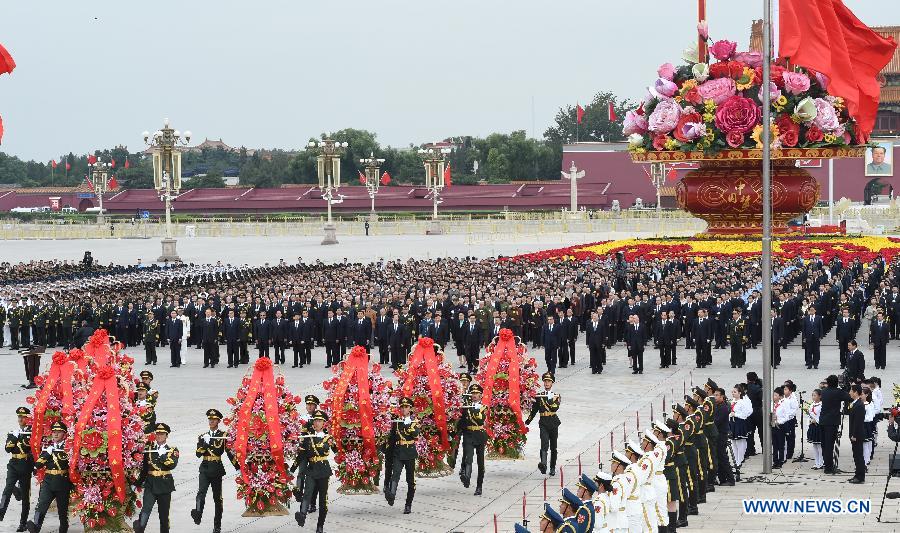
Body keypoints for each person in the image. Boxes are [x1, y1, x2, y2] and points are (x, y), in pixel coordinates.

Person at [191, 409, 235, 533]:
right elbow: (198, 454)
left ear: (218, 421)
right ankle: (198, 514)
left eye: (214, 419)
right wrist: (205, 442)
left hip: (216, 468)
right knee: (201, 493)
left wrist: (237, 468)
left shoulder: (223, 435)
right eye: (210, 419)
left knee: (217, 498)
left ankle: (217, 526)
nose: (211, 421)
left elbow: (229, 453)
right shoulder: (202, 436)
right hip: (205, 467)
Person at [24, 421, 70, 533]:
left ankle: (63, 528)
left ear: (64, 434)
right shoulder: (48, 449)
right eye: (54, 432)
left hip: (62, 482)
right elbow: (38, 464)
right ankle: (36, 526)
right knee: (42, 505)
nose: (55, 434)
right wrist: (48, 452)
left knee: (62, 510)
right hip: (48, 481)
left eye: (58, 432)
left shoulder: (68, 448)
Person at [133, 423, 179, 533]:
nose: (159, 436)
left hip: (164, 484)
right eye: (157, 434)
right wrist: (137, 483)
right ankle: (139, 529)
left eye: (162, 434)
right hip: (151, 483)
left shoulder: (172, 450)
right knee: (145, 510)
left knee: (163, 515)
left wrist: (163, 456)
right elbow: (145, 469)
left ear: (166, 436)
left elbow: (172, 465)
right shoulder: (148, 449)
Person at [295, 410, 335, 533]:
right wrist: (291, 470)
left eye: (319, 421)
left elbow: (330, 451)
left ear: (324, 423)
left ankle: (320, 526)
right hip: (311, 470)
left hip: (323, 470)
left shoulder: (328, 437)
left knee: (323, 500)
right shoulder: (308, 438)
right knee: (307, 493)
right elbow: (302, 456)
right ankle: (302, 514)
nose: (317, 423)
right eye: (315, 420)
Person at [384, 397, 419, 514]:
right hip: (398, 452)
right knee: (395, 475)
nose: (404, 409)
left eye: (406, 407)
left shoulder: (414, 421)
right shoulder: (397, 422)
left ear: (410, 409)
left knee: (411, 481)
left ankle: (408, 504)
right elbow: (392, 438)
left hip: (409, 453)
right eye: (402, 407)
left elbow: (416, 436)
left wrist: (410, 425)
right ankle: (392, 494)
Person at [0, 407, 33, 532]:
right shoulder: (13, 432)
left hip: (25, 464)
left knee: (25, 497)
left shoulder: (32, 433)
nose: (20, 419)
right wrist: (14, 437)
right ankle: (1, 511)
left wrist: (35, 467)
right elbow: (8, 449)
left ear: (28, 418)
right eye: (19, 417)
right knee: (7, 488)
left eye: (23, 417)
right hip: (13, 464)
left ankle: (23, 523)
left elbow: (34, 450)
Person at [525, 372, 561, 476]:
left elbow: (555, 407)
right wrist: (528, 421)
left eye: (549, 381)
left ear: (552, 383)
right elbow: (534, 410)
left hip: (553, 421)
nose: (546, 383)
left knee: (553, 446)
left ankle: (552, 467)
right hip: (543, 422)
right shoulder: (539, 396)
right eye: (545, 381)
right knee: (544, 444)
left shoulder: (556, 396)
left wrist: (548, 397)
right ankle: (544, 464)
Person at [458, 383, 487, 495]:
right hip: (468, 434)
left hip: (479, 434)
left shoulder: (483, 407)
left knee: (480, 462)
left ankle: (479, 486)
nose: (474, 395)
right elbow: (461, 421)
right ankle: (467, 477)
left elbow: (480, 420)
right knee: (468, 457)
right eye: (473, 393)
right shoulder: (466, 406)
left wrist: (477, 410)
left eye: (477, 393)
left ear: (481, 395)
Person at [819, 374, 852, 475]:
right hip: (832, 422)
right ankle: (828, 468)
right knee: (830, 445)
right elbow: (849, 397)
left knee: (824, 445)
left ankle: (826, 464)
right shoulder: (838, 392)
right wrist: (846, 387)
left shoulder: (823, 392)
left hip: (823, 421)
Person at [847, 384, 866, 483]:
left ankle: (860, 477)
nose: (849, 393)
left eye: (851, 391)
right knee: (856, 455)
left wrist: (854, 435)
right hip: (855, 434)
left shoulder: (859, 405)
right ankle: (857, 474)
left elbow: (858, 422)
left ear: (855, 392)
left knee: (858, 456)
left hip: (857, 435)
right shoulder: (855, 403)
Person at [729, 385, 752, 466]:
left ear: (739, 393)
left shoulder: (742, 402)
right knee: (733, 442)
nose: (733, 393)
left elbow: (746, 414)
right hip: (732, 423)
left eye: (735, 392)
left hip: (739, 422)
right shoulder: (732, 401)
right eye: (732, 392)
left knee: (740, 442)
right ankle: (735, 460)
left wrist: (735, 414)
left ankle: (740, 460)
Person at [807, 389, 824, 469]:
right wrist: (810, 421)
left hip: (819, 426)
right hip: (813, 426)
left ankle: (821, 462)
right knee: (814, 445)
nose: (813, 397)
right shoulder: (812, 405)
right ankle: (816, 462)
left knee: (820, 446)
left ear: (820, 396)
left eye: (815, 395)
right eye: (812, 395)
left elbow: (822, 416)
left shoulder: (822, 405)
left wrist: (816, 420)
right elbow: (809, 415)